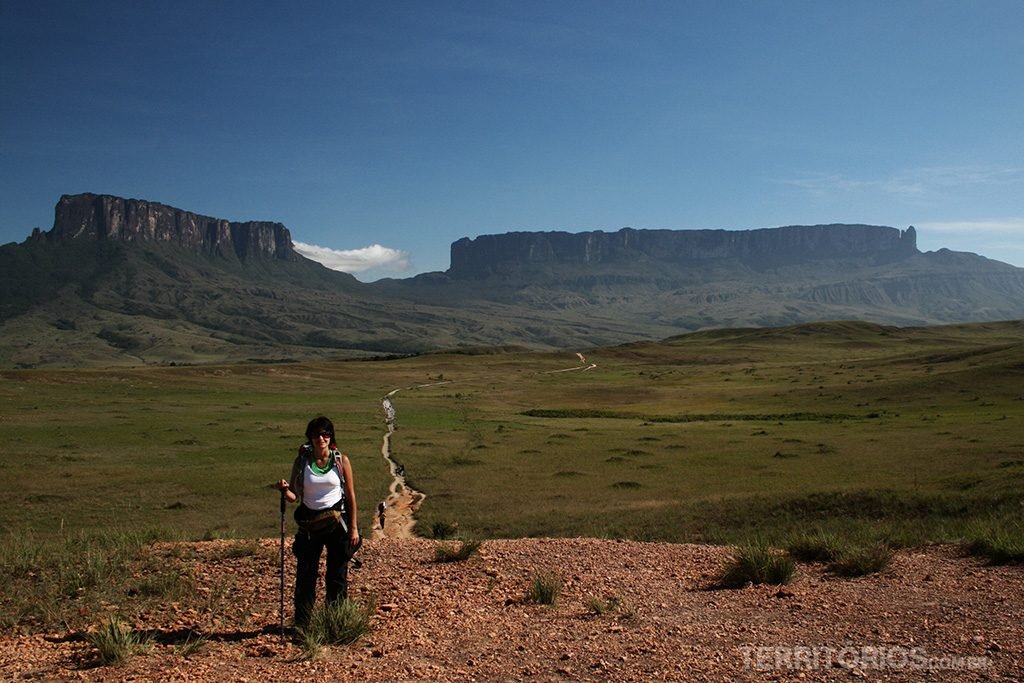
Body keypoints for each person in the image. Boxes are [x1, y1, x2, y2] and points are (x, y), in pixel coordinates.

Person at [275, 416, 360, 628]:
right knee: (305, 575)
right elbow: (294, 496)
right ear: (310, 438)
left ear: (331, 437)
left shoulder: (341, 461)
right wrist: (285, 490)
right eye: (316, 434)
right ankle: (302, 624)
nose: (321, 438)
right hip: (310, 524)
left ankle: (335, 622)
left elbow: (350, 495)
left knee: (337, 575)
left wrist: (354, 529)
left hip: (337, 522)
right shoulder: (302, 462)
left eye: (325, 434)